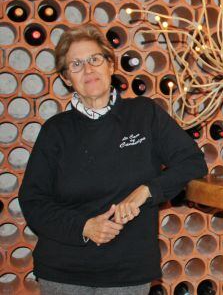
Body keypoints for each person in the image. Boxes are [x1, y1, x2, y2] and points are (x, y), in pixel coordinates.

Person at [18, 24, 208, 294]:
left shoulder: (144, 115)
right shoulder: (55, 131)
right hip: (64, 272)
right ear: (66, 78)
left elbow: (193, 162)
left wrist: (146, 191)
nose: (88, 69)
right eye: (76, 64)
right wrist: (85, 227)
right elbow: (33, 202)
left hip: (128, 272)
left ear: (110, 65)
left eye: (95, 59)